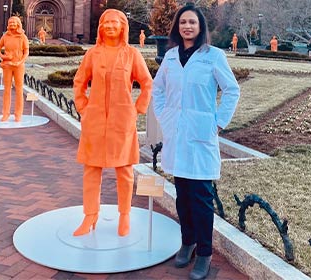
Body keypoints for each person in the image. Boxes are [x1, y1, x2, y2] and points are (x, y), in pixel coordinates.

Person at [152, 3, 240, 279]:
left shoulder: (213, 56)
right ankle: (187, 242)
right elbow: (158, 90)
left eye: (192, 22)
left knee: (201, 198)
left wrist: (218, 122)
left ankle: (204, 253)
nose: (187, 26)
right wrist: (165, 118)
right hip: (177, 135)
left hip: (201, 134)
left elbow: (231, 89)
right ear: (177, 28)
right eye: (182, 23)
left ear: (200, 27)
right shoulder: (169, 57)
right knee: (182, 196)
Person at [73, 9, 152, 237]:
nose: (109, 26)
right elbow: (79, 81)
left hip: (122, 120)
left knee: (124, 170)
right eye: (106, 22)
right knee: (91, 169)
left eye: (114, 23)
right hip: (94, 120)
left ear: (122, 27)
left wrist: (137, 109)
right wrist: (83, 108)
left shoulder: (132, 54)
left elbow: (147, 83)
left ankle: (125, 215)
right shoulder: (92, 54)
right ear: (100, 27)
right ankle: (90, 216)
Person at [0, 16, 29, 122]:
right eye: (10, 23)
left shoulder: (23, 37)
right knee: (7, 90)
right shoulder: (5, 36)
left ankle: (18, 114)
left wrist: (20, 62)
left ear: (18, 24)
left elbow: (26, 52)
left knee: (19, 90)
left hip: (18, 66)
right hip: (7, 66)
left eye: (14, 23)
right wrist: (4, 57)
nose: (11, 24)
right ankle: (5, 113)